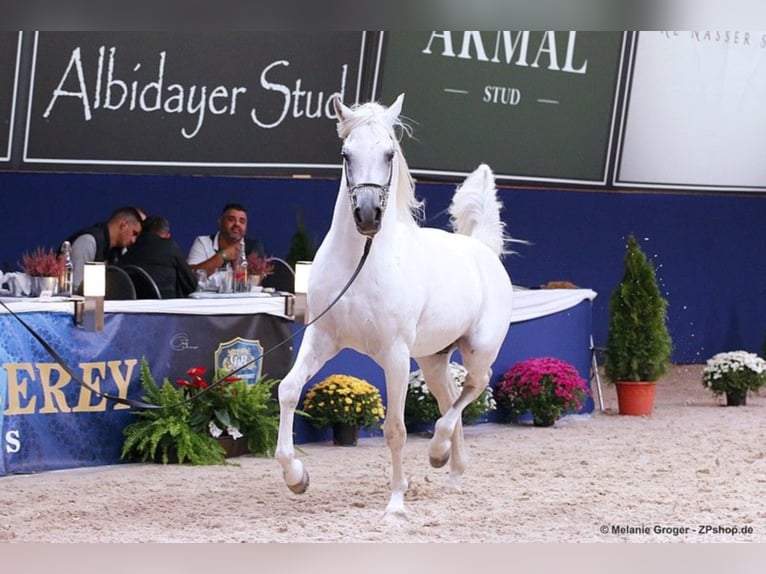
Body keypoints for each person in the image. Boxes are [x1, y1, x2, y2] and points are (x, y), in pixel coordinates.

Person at [64, 206, 143, 292]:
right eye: (134, 233)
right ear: (124, 225)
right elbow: (74, 289)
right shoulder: (88, 242)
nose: (133, 240)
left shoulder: (119, 252)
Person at [120, 215, 197, 299]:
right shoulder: (169, 247)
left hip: (133, 307)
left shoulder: (129, 250)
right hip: (164, 307)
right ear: (166, 235)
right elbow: (190, 284)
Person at [187, 203, 265, 277]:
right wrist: (223, 256)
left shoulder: (254, 247)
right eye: (231, 219)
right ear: (220, 222)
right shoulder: (203, 242)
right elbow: (189, 276)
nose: (237, 224)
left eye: (242, 221)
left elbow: (258, 282)